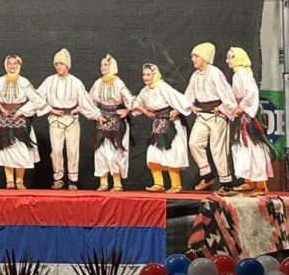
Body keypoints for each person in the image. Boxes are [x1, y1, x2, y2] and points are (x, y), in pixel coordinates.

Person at [0, 55, 48, 190]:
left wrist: (22, 111)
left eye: (15, 63)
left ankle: (19, 181)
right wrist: (1, 108)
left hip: (20, 118)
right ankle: (9, 181)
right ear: (5, 65)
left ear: (19, 66)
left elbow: (37, 99)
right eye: (9, 63)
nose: (12, 66)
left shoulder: (24, 82)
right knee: (7, 149)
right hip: (5, 118)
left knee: (21, 149)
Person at [38, 48, 98, 190]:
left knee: (72, 150)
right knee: (56, 150)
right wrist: (50, 109)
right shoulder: (49, 81)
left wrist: (91, 113)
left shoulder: (76, 82)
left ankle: (72, 180)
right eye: (56, 64)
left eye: (61, 64)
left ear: (68, 65)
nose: (59, 66)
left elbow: (85, 101)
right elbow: (37, 97)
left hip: (71, 119)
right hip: (55, 119)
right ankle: (58, 178)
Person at [184, 42, 237, 195]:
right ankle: (207, 176)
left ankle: (226, 183)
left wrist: (225, 109)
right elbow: (188, 96)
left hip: (217, 115)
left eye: (196, 56)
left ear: (204, 57)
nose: (193, 59)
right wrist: (188, 107)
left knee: (217, 148)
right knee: (194, 143)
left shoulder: (215, 73)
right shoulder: (195, 75)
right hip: (203, 114)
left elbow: (226, 93)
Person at [132, 63, 193, 193]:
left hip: (171, 125)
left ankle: (176, 186)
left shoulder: (163, 87)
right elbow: (136, 103)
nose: (145, 77)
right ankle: (158, 184)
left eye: (148, 74)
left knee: (171, 154)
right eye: (144, 74)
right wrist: (145, 111)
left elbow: (181, 101)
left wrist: (177, 111)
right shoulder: (145, 91)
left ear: (155, 75)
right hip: (158, 125)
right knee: (153, 154)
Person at [226, 47, 275, 195]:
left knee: (254, 147)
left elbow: (252, 93)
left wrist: (241, 107)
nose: (227, 61)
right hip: (244, 115)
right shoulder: (238, 74)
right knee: (243, 148)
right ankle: (249, 181)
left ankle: (261, 184)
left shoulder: (241, 73)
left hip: (249, 117)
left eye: (230, 57)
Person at [87, 54, 134, 192]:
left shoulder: (118, 83)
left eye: (106, 65)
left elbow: (130, 99)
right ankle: (103, 183)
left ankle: (117, 183)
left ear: (112, 66)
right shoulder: (98, 83)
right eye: (101, 65)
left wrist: (127, 110)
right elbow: (89, 101)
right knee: (100, 151)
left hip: (116, 119)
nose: (103, 67)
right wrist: (95, 113)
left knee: (115, 150)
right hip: (102, 119)